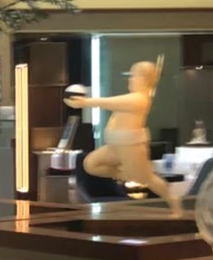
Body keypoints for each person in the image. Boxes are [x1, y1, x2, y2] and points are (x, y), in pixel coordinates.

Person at [65, 59, 179, 209]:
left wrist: (85, 102)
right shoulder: (132, 97)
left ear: (144, 79)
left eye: (133, 76)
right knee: (90, 164)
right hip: (115, 146)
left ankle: (173, 201)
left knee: (147, 178)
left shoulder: (139, 99)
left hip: (131, 148)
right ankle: (126, 174)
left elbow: (109, 102)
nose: (130, 79)